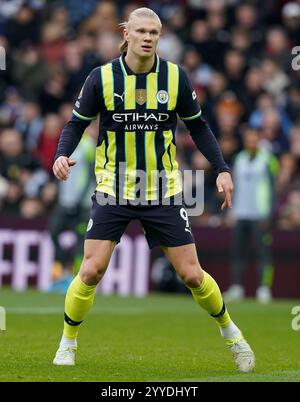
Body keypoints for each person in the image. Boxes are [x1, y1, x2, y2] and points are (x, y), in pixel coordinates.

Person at [52, 7, 255, 372]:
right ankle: (68, 343)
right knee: (91, 271)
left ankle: (233, 336)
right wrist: (62, 154)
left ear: (160, 36)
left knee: (192, 274)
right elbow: (75, 124)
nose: (148, 37)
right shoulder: (101, 78)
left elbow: (200, 128)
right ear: (125, 33)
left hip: (162, 188)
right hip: (113, 187)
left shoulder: (175, 78)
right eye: (142, 31)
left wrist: (222, 169)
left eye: (155, 32)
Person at [223, 127, 279, 303]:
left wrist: (269, 213)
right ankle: (237, 287)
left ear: (259, 140)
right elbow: (235, 186)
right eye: (248, 139)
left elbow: (273, 188)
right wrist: (232, 211)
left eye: (254, 139)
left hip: (259, 214)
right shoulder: (239, 159)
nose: (251, 142)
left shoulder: (268, 160)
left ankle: (264, 289)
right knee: (238, 252)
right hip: (241, 213)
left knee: (262, 253)